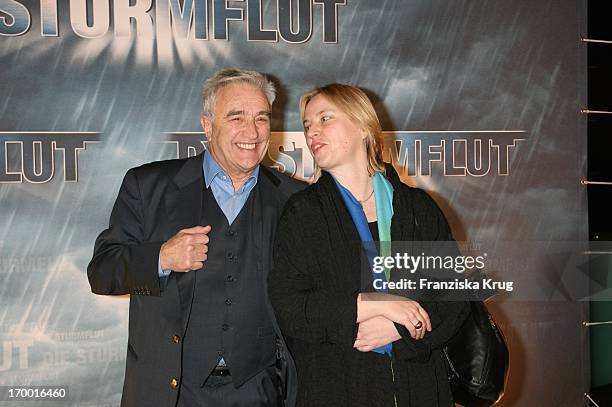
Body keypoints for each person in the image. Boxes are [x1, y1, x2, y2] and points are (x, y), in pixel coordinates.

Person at [87, 68, 304, 407]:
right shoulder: (147, 186)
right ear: (207, 125)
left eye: (262, 118)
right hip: (172, 392)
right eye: (236, 117)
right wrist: (160, 258)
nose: (252, 131)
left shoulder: (295, 200)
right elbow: (102, 271)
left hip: (260, 390)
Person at [268, 84, 470, 406]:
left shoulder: (418, 208)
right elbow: (290, 308)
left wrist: (399, 329)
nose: (312, 132)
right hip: (337, 390)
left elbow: (454, 295)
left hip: (418, 389)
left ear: (363, 126)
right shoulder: (303, 214)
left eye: (324, 119)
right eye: (307, 125)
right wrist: (372, 305)